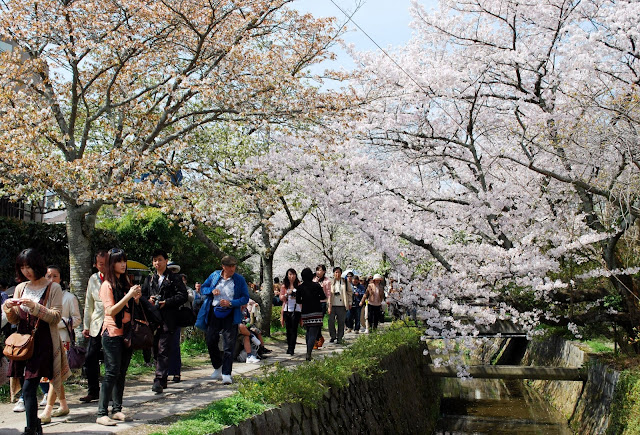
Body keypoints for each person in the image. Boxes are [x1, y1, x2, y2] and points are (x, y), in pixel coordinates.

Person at [2, 248, 70, 435]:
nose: (26, 271)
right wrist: (8, 308)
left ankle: (31, 428)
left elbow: (56, 317)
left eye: (29, 266)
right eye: (22, 267)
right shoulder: (20, 287)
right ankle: (35, 426)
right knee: (27, 387)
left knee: (29, 386)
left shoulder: (52, 287)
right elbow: (15, 320)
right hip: (22, 343)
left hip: (43, 342)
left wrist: (35, 307)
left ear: (37, 265)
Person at [95, 248, 142, 426]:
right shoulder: (107, 285)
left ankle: (116, 409)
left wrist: (136, 298)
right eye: (118, 261)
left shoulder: (125, 284)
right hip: (112, 333)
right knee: (112, 372)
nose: (123, 264)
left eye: (124, 261)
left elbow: (131, 308)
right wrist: (129, 296)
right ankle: (101, 413)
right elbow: (110, 310)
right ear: (110, 264)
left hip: (127, 333)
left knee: (121, 373)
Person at [195, 255, 249, 385]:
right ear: (223, 267)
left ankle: (226, 373)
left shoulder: (239, 280)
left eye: (234, 266)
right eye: (229, 266)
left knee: (229, 344)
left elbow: (245, 298)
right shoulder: (214, 276)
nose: (232, 268)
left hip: (230, 314)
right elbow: (203, 289)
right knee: (210, 339)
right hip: (214, 312)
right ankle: (217, 366)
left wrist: (231, 303)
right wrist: (211, 291)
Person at [141, 250, 188, 394]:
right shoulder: (149, 279)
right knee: (155, 348)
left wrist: (166, 302)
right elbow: (142, 296)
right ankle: (163, 377)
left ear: (166, 261)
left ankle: (159, 379)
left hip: (169, 318)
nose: (157, 263)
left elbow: (183, 296)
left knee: (163, 348)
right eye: (155, 260)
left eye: (160, 260)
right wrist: (148, 300)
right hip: (153, 318)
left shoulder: (174, 278)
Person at [39, 265, 81, 423]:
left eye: (54, 276)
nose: (51, 279)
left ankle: (48, 410)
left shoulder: (69, 297)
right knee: (53, 377)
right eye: (48, 276)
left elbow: (77, 319)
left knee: (55, 376)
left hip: (62, 340)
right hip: (45, 340)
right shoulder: (42, 296)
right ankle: (63, 405)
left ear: (60, 279)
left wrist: (58, 323)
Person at [80, 249, 108, 403]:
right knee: (90, 357)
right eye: (100, 264)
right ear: (96, 265)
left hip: (111, 323)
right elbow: (88, 303)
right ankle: (93, 390)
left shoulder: (116, 278)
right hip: (96, 322)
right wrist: (86, 325)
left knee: (111, 359)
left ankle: (110, 391)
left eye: (106, 264)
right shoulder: (93, 279)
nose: (103, 267)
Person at [168, 271, 193, 383]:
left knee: (174, 345)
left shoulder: (187, 289)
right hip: (165, 319)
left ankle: (176, 372)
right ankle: (164, 372)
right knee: (163, 347)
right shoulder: (167, 287)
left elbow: (191, 298)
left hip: (179, 319)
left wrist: (182, 292)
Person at [297, 267, 326, 361]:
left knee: (308, 332)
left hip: (306, 311)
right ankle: (309, 353)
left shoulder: (300, 287)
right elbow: (323, 296)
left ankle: (308, 350)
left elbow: (298, 300)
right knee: (313, 333)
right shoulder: (316, 285)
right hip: (316, 311)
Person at [327, 266, 352, 344]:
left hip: (342, 304)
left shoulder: (345, 281)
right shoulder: (330, 282)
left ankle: (340, 337)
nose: (337, 274)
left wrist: (349, 302)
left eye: (339, 272)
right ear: (334, 273)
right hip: (332, 304)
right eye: (336, 272)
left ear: (341, 273)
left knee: (341, 322)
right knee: (331, 321)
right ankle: (333, 336)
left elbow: (350, 292)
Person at [280, 268, 301, 355]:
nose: (292, 276)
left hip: (296, 309)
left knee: (294, 329)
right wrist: (287, 294)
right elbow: (281, 298)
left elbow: (302, 297)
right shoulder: (284, 286)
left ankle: (292, 348)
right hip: (287, 309)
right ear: (287, 276)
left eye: (293, 274)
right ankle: (289, 346)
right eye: (290, 274)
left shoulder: (299, 285)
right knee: (288, 329)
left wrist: (296, 294)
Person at [312, 265, 331, 349]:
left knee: (318, 322)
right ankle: (319, 337)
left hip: (322, 303)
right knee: (314, 322)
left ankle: (316, 341)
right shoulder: (313, 279)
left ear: (324, 271)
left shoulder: (327, 281)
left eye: (320, 270)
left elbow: (329, 294)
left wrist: (329, 305)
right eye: (317, 270)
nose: (319, 272)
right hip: (314, 303)